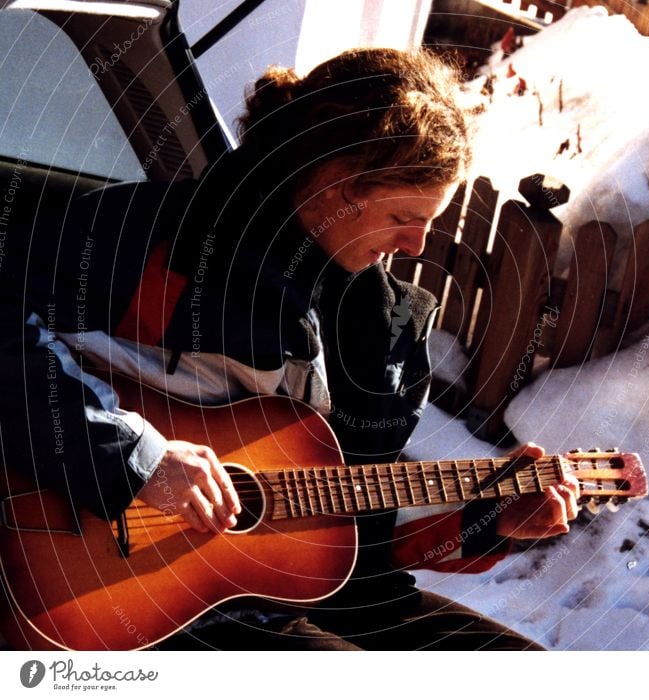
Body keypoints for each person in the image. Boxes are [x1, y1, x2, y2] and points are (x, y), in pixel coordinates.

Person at [0, 47, 578, 650]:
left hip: (270, 595)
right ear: (335, 184)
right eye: (404, 216)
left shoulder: (390, 330)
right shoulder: (151, 240)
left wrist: (486, 523)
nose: (417, 245)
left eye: (431, 220)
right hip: (105, 597)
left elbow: (358, 541)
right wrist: (133, 459)